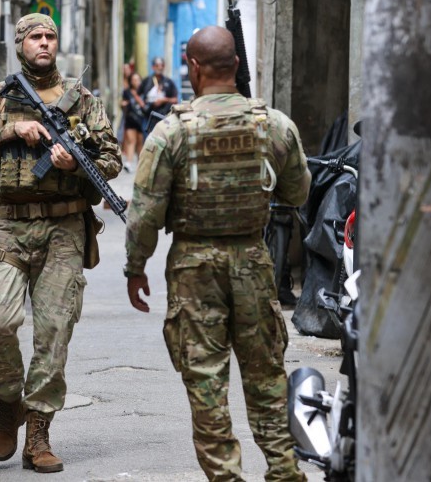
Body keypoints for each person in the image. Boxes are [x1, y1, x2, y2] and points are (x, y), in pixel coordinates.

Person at [124, 26, 310, 481]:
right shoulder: (275, 125)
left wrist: (136, 267)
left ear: (193, 67)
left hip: (193, 270)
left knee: (207, 385)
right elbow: (297, 193)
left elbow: (145, 213)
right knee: (267, 380)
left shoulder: (171, 132)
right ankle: (285, 472)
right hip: (253, 263)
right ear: (237, 65)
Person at [0, 13, 121, 473]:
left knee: (53, 332)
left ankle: (38, 433)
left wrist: (74, 163)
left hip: (64, 229)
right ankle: (9, 402)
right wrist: (11, 131)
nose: (44, 43)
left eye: (50, 36)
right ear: (20, 44)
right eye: (35, 36)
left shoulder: (83, 101)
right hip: (10, 226)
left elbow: (112, 160)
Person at [139, 56, 178, 136]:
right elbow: (136, 93)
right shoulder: (147, 80)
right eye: (157, 65)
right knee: (148, 139)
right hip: (148, 117)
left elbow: (175, 99)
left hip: (164, 117)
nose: (160, 67)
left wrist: (164, 100)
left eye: (161, 65)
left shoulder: (169, 82)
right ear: (153, 67)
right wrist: (142, 105)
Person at [120, 71, 147, 171]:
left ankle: (140, 164)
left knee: (140, 143)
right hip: (130, 119)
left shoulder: (144, 92)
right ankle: (129, 162)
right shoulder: (127, 92)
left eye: (138, 80)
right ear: (131, 81)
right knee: (131, 141)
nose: (136, 82)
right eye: (134, 80)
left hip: (141, 120)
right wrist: (123, 104)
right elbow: (123, 103)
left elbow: (146, 105)